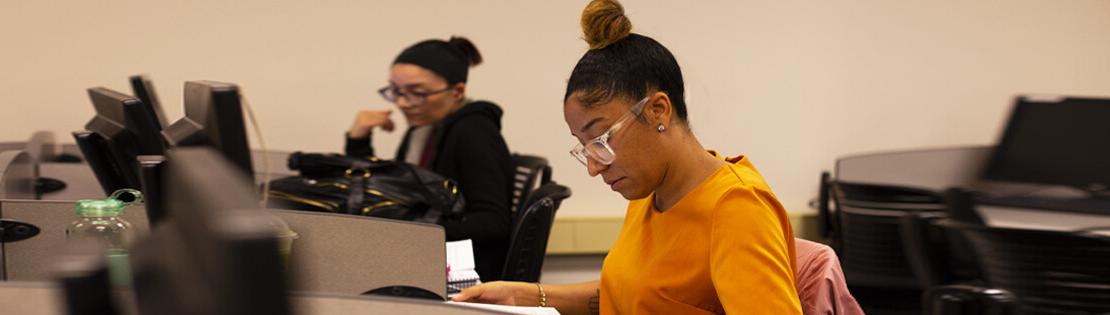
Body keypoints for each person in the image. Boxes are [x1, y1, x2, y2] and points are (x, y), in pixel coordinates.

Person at [452, 1, 802, 314]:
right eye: (584, 146)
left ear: (658, 111)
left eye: (601, 139)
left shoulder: (736, 208)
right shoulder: (650, 189)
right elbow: (630, 293)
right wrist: (525, 296)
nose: (593, 167)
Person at [345, 36, 513, 282]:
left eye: (417, 93)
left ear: (457, 91)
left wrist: (411, 230)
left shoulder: (473, 132)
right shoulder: (423, 129)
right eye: (396, 91)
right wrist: (358, 141)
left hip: (463, 273)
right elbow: (395, 191)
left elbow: (493, 223)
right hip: (429, 259)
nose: (403, 103)